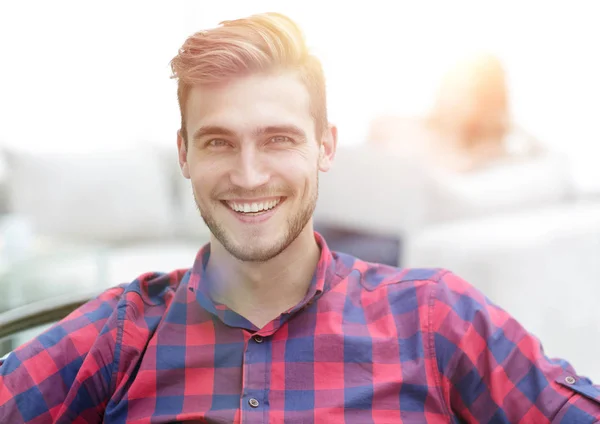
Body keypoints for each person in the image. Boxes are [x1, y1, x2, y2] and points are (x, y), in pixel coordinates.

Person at [0, 12, 598, 423]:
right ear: (184, 153)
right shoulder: (119, 334)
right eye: (218, 143)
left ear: (326, 147)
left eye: (279, 139)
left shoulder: (435, 317)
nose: (250, 174)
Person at [368, 54, 544, 173]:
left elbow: (546, 161)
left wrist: (503, 124)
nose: (458, 96)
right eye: (455, 85)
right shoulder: (392, 125)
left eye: (474, 91)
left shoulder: (485, 155)